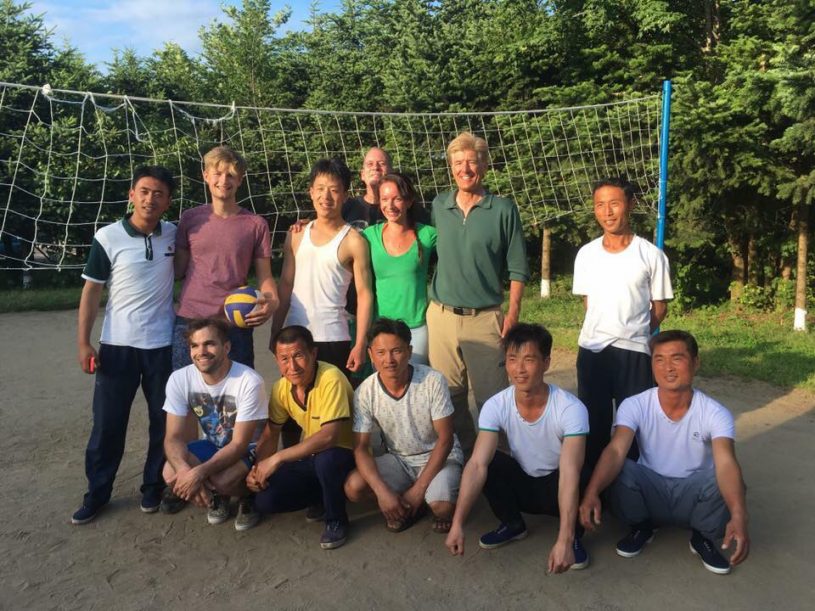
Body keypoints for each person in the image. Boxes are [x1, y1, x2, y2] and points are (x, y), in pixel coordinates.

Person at [579, 330, 750, 575]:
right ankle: (642, 526)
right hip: (652, 490)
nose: (667, 367)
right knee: (622, 467)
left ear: (695, 362)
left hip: (693, 494)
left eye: (677, 358)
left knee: (723, 478)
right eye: (659, 359)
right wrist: (592, 492)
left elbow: (725, 463)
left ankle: (701, 537)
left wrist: (739, 514)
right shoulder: (635, 404)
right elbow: (616, 450)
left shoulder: (715, 412)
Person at [71, 166, 177, 525]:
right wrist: (84, 342)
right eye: (144, 191)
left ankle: (153, 488)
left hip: (162, 346)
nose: (150, 199)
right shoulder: (108, 237)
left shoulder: (174, 235)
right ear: (132, 194)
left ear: (168, 201)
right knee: (107, 425)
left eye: (159, 193)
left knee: (163, 423)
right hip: (118, 346)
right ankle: (97, 494)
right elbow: (91, 292)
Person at [445, 324, 590, 573]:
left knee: (581, 471)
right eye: (512, 359)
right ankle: (513, 524)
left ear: (546, 363)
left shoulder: (570, 408)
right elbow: (477, 464)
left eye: (529, 360)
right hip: (525, 481)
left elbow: (569, 474)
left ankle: (573, 537)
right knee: (489, 462)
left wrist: (563, 540)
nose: (519, 369)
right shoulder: (496, 405)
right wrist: (457, 523)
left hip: (560, 485)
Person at [427, 131, 530, 452]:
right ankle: (467, 456)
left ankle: (499, 464)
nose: (465, 169)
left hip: (485, 319)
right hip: (441, 317)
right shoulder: (438, 206)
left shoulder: (502, 210)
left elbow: (517, 268)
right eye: (458, 163)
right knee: (449, 399)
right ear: (451, 167)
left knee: (492, 400)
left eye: (472, 162)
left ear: (484, 166)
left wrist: (511, 314)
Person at [573, 177, 673, 474]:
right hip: (592, 351)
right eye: (600, 205)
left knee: (633, 426)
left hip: (634, 352)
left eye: (614, 203)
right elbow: (588, 302)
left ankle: (631, 490)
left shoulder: (651, 255)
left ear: (630, 204)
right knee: (594, 424)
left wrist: (635, 330)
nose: (607, 212)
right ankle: (592, 493)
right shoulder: (587, 254)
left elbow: (660, 306)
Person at [344, 318, 463, 533]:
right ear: (370, 354)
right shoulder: (365, 391)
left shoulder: (432, 380)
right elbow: (360, 447)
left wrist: (418, 489)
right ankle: (403, 504)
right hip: (400, 459)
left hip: (438, 456)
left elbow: (445, 439)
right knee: (354, 488)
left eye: (396, 351)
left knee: (442, 506)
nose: (389, 360)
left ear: (409, 351)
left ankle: (419, 500)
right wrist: (381, 492)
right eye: (380, 352)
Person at [248, 326, 356, 550]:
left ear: (313, 354)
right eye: (284, 359)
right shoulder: (281, 388)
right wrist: (257, 469)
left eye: (298, 356)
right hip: (311, 456)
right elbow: (271, 434)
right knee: (265, 500)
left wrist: (277, 458)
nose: (292, 366)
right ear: (277, 360)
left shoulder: (331, 377)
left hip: (346, 453)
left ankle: (336, 518)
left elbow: (329, 436)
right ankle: (320, 496)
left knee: (326, 459)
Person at [173, 145, 278, 371]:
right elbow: (177, 269)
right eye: (217, 173)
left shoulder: (256, 224)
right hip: (190, 320)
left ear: (240, 180)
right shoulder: (190, 219)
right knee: (187, 394)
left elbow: (266, 276)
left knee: (236, 394)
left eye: (230, 174)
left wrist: (272, 300)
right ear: (205, 176)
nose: (224, 180)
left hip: (234, 322)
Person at [161, 318, 267, 531]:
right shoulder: (179, 379)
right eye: (195, 345)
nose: (202, 351)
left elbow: (238, 445)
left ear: (226, 347)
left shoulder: (248, 381)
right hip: (214, 444)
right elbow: (173, 437)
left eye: (209, 344)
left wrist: (198, 474)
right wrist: (185, 472)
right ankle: (218, 495)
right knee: (170, 472)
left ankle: (247, 496)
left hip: (251, 449)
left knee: (223, 479)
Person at [271, 158, 373, 378]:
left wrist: (360, 343)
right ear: (311, 192)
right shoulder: (296, 234)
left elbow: (365, 295)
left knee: (334, 408)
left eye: (334, 190)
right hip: (295, 336)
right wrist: (274, 332)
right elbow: (286, 285)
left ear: (345, 195)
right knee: (295, 407)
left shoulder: (354, 240)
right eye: (320, 189)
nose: (326, 197)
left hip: (334, 338)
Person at [362, 173, 436, 364]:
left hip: (417, 329)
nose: (390, 205)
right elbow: (336, 235)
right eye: (385, 199)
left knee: (416, 386)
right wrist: (305, 224)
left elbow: (459, 241)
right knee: (386, 388)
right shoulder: (369, 236)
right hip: (381, 330)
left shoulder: (427, 235)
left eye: (397, 199)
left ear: (409, 201)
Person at [342, 146, 392, 229]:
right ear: (363, 174)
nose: (375, 167)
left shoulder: (402, 208)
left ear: (392, 172)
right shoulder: (346, 207)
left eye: (381, 164)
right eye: (370, 164)